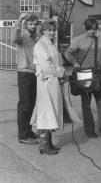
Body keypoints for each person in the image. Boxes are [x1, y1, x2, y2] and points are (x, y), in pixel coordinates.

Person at [65, 18, 101, 138]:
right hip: (86, 76)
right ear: (85, 28)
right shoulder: (78, 40)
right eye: (90, 29)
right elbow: (68, 53)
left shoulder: (100, 41)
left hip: (99, 75)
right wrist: (75, 63)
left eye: (94, 28)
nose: (92, 31)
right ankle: (89, 130)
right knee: (86, 104)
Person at [30, 19, 68, 155]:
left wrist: (62, 72)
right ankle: (44, 144)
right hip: (45, 82)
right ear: (43, 30)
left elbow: (57, 61)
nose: (52, 32)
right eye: (49, 30)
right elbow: (47, 65)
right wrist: (61, 73)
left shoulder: (50, 44)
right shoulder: (40, 45)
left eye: (53, 30)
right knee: (46, 112)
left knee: (51, 111)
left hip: (52, 82)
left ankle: (48, 142)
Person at [13, 13, 39, 144]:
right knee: (25, 105)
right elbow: (15, 38)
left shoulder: (35, 37)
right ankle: (23, 136)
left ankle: (28, 130)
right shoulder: (22, 34)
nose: (33, 26)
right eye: (31, 24)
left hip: (34, 73)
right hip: (25, 73)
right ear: (26, 24)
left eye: (35, 24)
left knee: (31, 104)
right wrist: (19, 21)